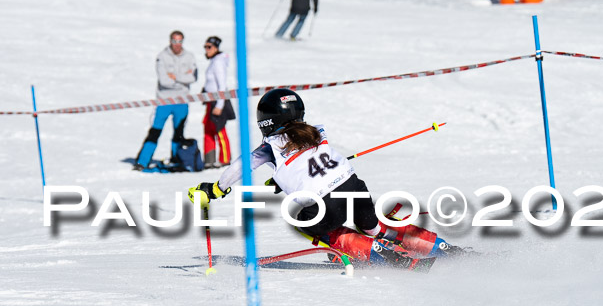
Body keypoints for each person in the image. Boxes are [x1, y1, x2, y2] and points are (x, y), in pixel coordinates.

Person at [188, 89, 460, 267]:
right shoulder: (314, 130)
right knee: (372, 224)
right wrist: (282, 179)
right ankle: (438, 247)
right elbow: (306, 163)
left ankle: (385, 256)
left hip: (326, 203)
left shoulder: (269, 145)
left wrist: (215, 189)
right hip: (354, 186)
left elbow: (240, 167)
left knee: (303, 223)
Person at [134, 31, 197, 171]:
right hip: (164, 101)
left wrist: (175, 77)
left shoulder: (189, 56)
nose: (177, 44)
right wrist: (181, 78)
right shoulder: (162, 57)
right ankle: (142, 161)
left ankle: (177, 159)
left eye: (180, 41)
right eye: (174, 41)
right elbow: (164, 81)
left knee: (178, 133)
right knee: (155, 131)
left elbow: (192, 78)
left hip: (182, 101)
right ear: (170, 41)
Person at [202, 36, 235, 169]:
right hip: (211, 101)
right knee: (208, 129)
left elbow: (222, 86)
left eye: (209, 47)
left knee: (219, 129)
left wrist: (220, 105)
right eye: (205, 47)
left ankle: (225, 159)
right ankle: (209, 160)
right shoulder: (214, 61)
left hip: (218, 101)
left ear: (216, 48)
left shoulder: (218, 62)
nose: (206, 49)